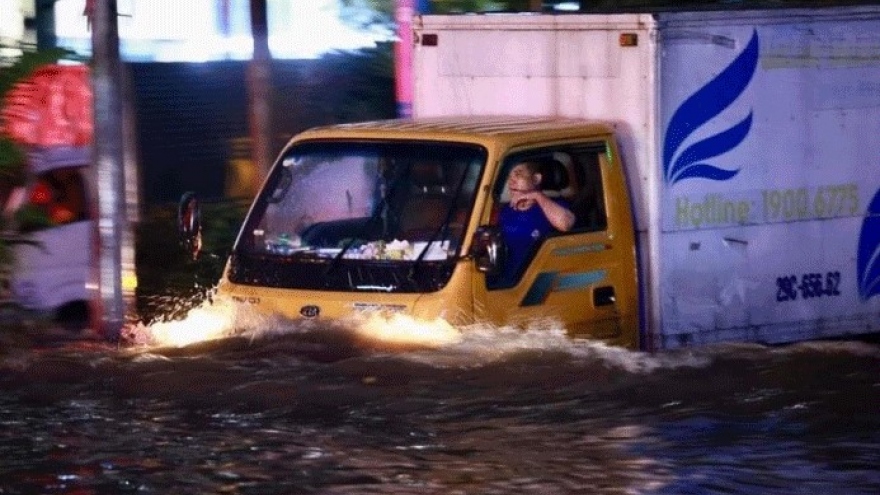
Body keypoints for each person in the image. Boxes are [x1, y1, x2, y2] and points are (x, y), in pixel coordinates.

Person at [494, 160, 575, 286]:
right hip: (507, 284)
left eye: (518, 174)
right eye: (509, 177)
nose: (512, 181)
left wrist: (537, 196)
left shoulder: (555, 205)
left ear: (536, 179)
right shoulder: (505, 211)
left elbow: (565, 224)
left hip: (538, 283)